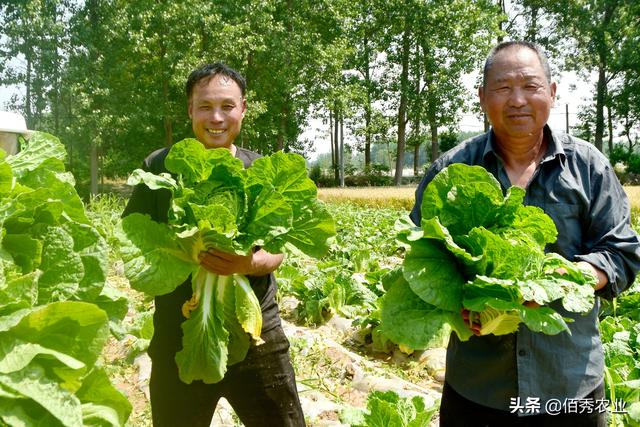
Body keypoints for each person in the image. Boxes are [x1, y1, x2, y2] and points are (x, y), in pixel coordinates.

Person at [410, 41, 640, 426]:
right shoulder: (452, 170)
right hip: (478, 388)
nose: (517, 99)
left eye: (530, 86)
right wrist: (458, 301)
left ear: (551, 92)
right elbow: (423, 254)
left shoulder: (589, 168)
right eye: (502, 88)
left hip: (569, 385)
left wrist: (569, 279)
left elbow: (622, 252)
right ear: (483, 97)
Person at [123, 63, 306, 427]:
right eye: (205, 106)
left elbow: (281, 248)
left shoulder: (263, 169)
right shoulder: (159, 167)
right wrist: (184, 252)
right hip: (181, 336)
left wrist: (245, 264)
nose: (216, 117)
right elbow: (134, 238)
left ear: (243, 110)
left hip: (256, 337)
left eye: (227, 106)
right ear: (190, 110)